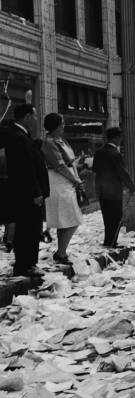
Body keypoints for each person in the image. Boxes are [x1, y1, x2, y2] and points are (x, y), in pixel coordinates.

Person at [4, 104, 49, 277]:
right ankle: (26, 264)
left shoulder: (22, 135)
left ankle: (28, 263)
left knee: (31, 227)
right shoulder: (17, 136)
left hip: (28, 193)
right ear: (27, 116)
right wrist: (36, 192)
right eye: (35, 115)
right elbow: (25, 168)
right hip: (27, 194)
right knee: (27, 228)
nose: (37, 119)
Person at [40, 113, 84, 264]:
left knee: (65, 220)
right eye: (62, 123)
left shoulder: (60, 140)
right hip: (58, 182)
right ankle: (61, 252)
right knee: (72, 219)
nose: (64, 126)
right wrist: (75, 179)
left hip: (67, 180)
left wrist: (75, 176)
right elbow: (59, 165)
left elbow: (68, 163)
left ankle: (61, 252)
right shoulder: (49, 142)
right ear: (56, 125)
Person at [92, 127, 135, 248]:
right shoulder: (115, 153)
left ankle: (108, 241)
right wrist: (131, 186)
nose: (121, 139)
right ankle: (112, 242)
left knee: (107, 217)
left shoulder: (99, 152)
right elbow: (122, 172)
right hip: (114, 190)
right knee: (115, 217)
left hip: (102, 190)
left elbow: (95, 170)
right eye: (120, 137)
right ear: (116, 138)